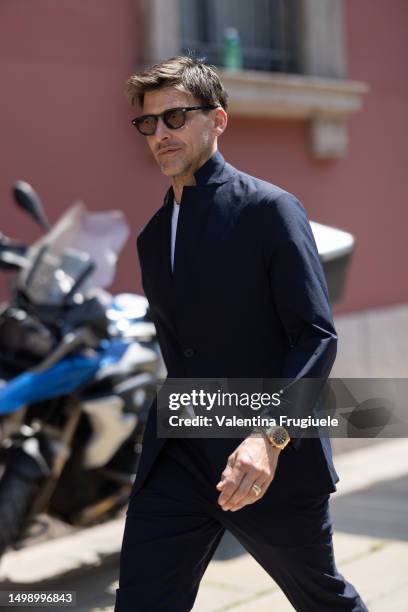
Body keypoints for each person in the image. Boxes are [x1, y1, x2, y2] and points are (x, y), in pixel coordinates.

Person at [115, 56, 367, 612]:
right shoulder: (154, 237)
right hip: (178, 453)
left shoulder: (270, 210)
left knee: (323, 600)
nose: (160, 134)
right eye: (148, 123)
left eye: (176, 117)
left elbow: (316, 335)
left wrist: (266, 438)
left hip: (264, 457)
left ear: (218, 120)